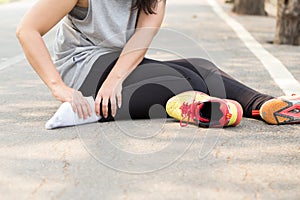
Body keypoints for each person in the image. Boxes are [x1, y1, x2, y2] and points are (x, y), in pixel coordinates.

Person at [16, 0, 300, 129]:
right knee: (182, 80)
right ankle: (190, 104)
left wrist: (116, 79)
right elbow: (27, 30)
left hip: (119, 64)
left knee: (198, 67)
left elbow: (138, 45)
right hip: (83, 67)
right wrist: (59, 88)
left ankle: (265, 105)